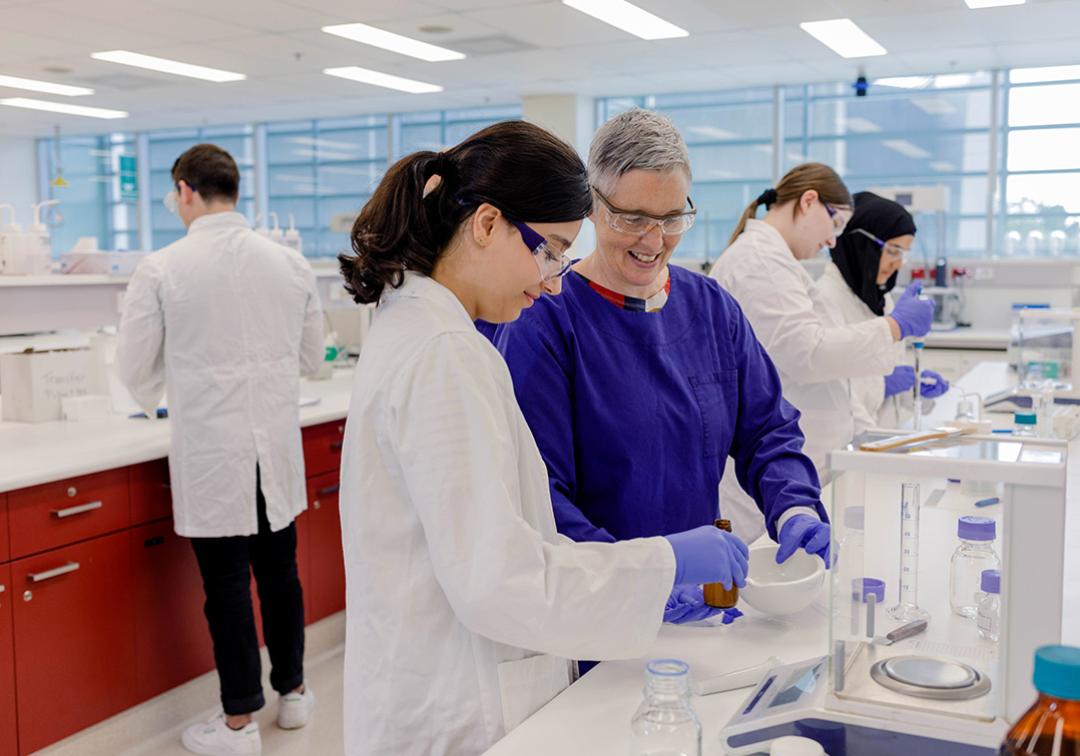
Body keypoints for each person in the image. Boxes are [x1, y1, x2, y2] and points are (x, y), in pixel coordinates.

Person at [336, 120, 746, 756]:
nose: (556, 278)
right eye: (549, 249)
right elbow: (501, 581)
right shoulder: (443, 353)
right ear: (487, 223)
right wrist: (662, 564)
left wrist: (645, 582)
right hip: (455, 711)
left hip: (436, 682)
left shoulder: (425, 328)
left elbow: (509, 545)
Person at [488, 109, 830, 628]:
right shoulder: (547, 323)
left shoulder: (711, 309)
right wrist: (641, 583)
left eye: (671, 219)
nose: (653, 240)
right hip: (597, 617)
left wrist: (795, 508)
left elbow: (767, 431)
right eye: (633, 219)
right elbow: (541, 497)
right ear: (593, 209)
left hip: (701, 610)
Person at [117, 144, 323, 756]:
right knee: (281, 576)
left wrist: (168, 383)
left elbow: (135, 372)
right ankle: (294, 696)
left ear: (185, 190)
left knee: (227, 588)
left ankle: (238, 725)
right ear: (233, 190)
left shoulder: (162, 268)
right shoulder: (290, 265)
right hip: (276, 454)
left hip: (214, 454)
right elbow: (313, 359)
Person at [710, 164, 935, 541]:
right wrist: (894, 327)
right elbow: (807, 354)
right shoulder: (760, 263)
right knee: (760, 590)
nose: (833, 241)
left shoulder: (778, 262)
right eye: (835, 225)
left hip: (795, 468)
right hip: (765, 480)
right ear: (809, 201)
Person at [817, 191, 949, 431]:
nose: (899, 263)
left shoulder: (881, 299)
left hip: (882, 441)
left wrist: (914, 388)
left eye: (903, 254)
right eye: (893, 250)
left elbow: (887, 372)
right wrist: (883, 385)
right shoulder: (825, 300)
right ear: (862, 245)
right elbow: (836, 399)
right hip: (847, 452)